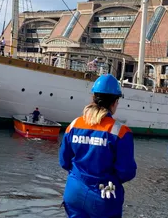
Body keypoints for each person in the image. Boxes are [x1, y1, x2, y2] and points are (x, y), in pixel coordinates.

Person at [59, 74, 137, 218]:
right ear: (115, 102)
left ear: (93, 99)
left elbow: (64, 161)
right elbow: (126, 172)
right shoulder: (120, 132)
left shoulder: (74, 125)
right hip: (104, 194)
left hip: (74, 191)